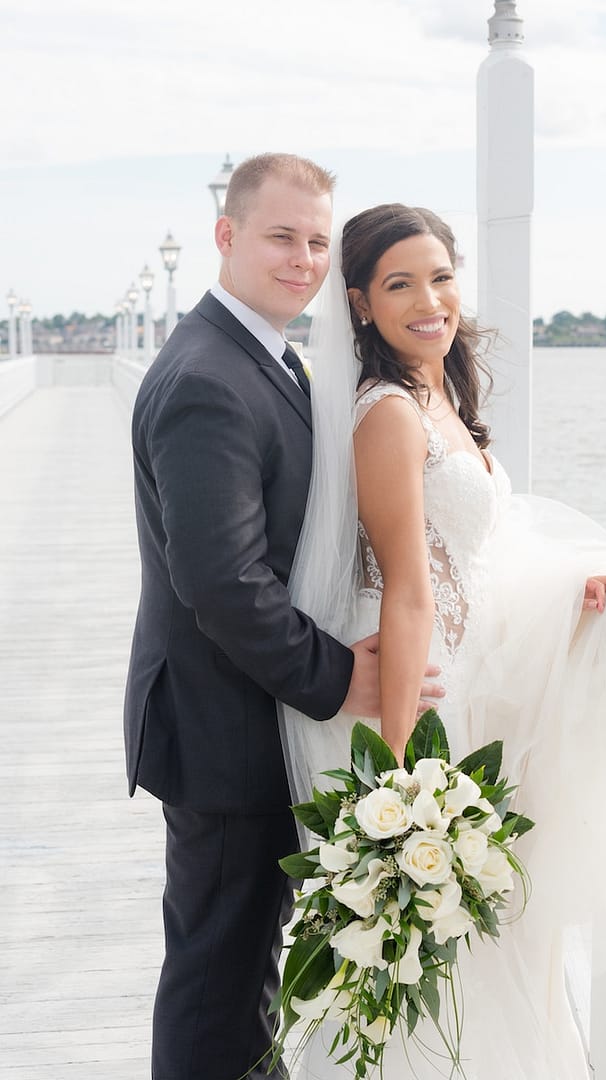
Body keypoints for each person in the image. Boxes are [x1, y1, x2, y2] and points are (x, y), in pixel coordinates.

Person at [281, 204, 606, 1079]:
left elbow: (477, 554)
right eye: (400, 284)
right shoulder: (386, 412)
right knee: (437, 954)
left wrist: (567, 590)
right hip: (422, 702)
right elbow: (410, 588)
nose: (430, 300)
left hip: (471, 683)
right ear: (358, 304)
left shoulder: (439, 393)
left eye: (442, 276)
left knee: (488, 946)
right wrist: (394, 779)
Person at [123, 156, 444, 1080]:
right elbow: (222, 581)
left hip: (243, 716)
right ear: (226, 236)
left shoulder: (267, 356)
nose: (303, 258)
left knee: (242, 975)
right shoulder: (208, 379)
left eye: (316, 240)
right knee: (218, 982)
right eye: (280, 236)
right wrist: (343, 675)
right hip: (219, 727)